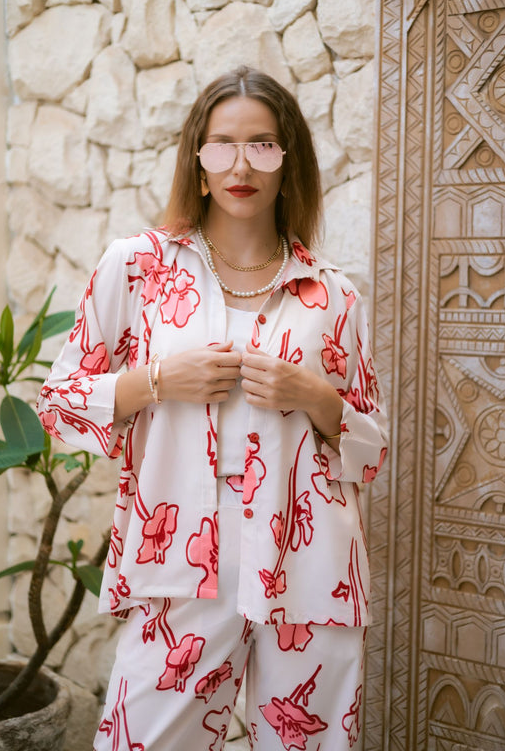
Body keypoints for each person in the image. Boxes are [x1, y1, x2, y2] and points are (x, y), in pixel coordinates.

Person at [37, 66, 388, 751]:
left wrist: (313, 396)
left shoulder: (333, 294)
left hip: (310, 561)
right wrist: (159, 379)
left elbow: (369, 448)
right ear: (197, 162)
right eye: (222, 144)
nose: (240, 164)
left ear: (288, 164)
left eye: (262, 145)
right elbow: (59, 403)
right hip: (182, 559)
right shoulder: (136, 267)